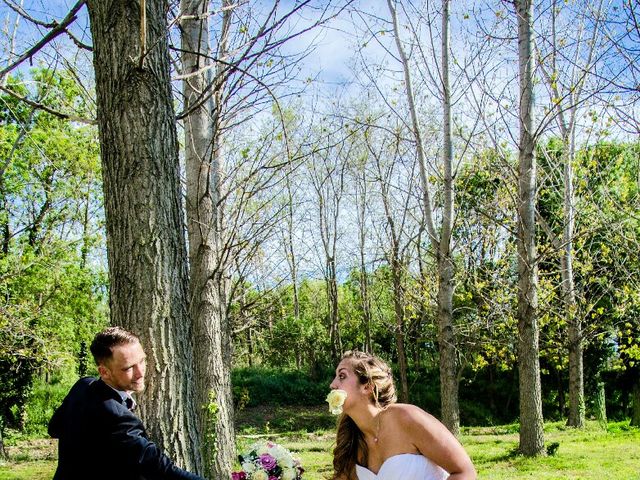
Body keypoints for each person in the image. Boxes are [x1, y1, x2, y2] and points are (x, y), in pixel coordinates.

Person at [48, 326, 205, 480]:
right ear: (104, 372)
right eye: (129, 368)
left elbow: (54, 428)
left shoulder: (83, 385)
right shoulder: (117, 417)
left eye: (142, 360)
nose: (140, 372)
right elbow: (159, 468)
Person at [330, 351, 476, 480]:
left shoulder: (407, 417)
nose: (333, 385)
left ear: (367, 386)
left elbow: (465, 473)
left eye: (342, 376)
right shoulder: (351, 441)